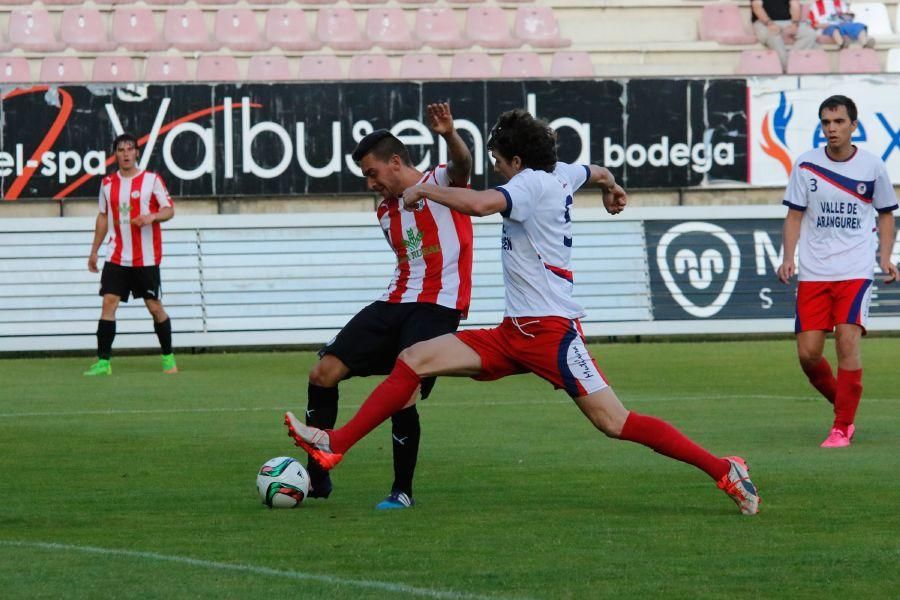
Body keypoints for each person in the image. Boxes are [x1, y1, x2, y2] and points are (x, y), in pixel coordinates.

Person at [285, 109, 761, 516]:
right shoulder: (558, 173)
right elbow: (592, 170)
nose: (495, 167)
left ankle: (725, 469)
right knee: (414, 360)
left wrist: (427, 192)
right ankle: (335, 445)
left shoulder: (532, 183)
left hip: (552, 335)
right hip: (514, 333)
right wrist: (613, 185)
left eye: (497, 160)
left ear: (516, 161)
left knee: (615, 423)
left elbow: (478, 204)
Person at [301, 102, 474, 509]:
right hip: (393, 301)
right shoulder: (383, 208)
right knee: (322, 372)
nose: (369, 183)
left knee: (405, 387)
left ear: (395, 161)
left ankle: (402, 491)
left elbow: (463, 164)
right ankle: (316, 477)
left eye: (372, 173)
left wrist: (449, 134)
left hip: (437, 306)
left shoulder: (441, 180)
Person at [777, 95, 897, 448]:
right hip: (815, 272)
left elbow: (886, 213)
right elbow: (795, 215)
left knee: (847, 340)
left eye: (839, 122)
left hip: (855, 268)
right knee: (808, 354)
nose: (832, 128)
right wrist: (788, 257)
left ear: (853, 126)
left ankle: (842, 426)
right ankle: (845, 406)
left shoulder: (872, 167)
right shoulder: (805, 165)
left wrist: (886, 256)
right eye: (826, 123)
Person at [84, 132, 177, 376]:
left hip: (145, 258)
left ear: (137, 152)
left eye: (130, 149)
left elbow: (169, 210)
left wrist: (152, 216)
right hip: (116, 255)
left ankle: (168, 357)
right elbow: (104, 217)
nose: (125, 154)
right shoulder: (107, 184)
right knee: (108, 303)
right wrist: (94, 251)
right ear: (115, 155)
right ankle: (103, 362)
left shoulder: (151, 180)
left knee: (154, 306)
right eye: (120, 150)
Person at [751, 0, 817, 70]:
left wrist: (795, 23)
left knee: (809, 34)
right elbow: (757, 6)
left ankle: (792, 64)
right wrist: (770, 24)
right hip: (764, 22)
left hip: (787, 21)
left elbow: (795, 4)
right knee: (773, 35)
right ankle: (788, 69)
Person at [807, 1, 874, 49]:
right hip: (827, 28)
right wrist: (825, 25)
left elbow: (847, 16)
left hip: (843, 25)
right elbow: (813, 25)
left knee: (858, 26)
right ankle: (842, 44)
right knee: (834, 29)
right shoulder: (814, 6)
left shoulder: (839, 2)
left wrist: (849, 16)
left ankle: (865, 44)